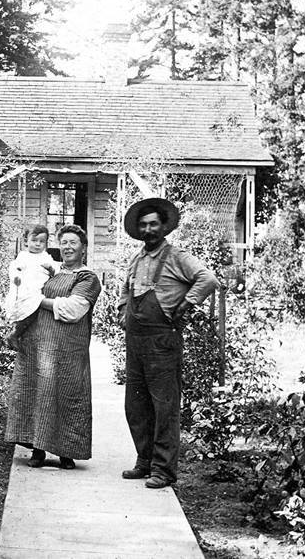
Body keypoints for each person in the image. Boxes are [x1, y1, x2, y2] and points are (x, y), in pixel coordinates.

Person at [119, 197, 219, 489]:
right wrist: (122, 311)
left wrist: (186, 304)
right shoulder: (136, 259)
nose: (148, 229)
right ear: (138, 229)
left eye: (153, 224)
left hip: (163, 338)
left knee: (164, 407)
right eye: (143, 225)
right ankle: (145, 461)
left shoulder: (177, 256)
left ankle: (163, 471)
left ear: (163, 227)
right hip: (136, 338)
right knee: (136, 405)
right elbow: (125, 289)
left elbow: (207, 279)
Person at [4, 224, 102, 470]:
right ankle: (38, 449)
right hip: (40, 346)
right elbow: (26, 296)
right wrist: (19, 328)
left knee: (66, 396)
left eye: (73, 243)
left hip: (70, 350)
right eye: (64, 243)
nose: (67, 247)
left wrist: (38, 300)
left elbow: (72, 310)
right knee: (39, 393)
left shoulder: (87, 278)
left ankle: (66, 453)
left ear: (83, 248)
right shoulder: (52, 272)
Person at [4, 224, 58, 350]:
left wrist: (50, 268)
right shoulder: (23, 256)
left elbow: (55, 270)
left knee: (35, 308)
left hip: (38, 287)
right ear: (26, 241)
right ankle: (15, 334)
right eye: (34, 240)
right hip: (26, 287)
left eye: (42, 241)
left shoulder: (46, 256)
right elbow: (15, 269)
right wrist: (16, 277)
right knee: (28, 306)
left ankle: (17, 334)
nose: (38, 244)